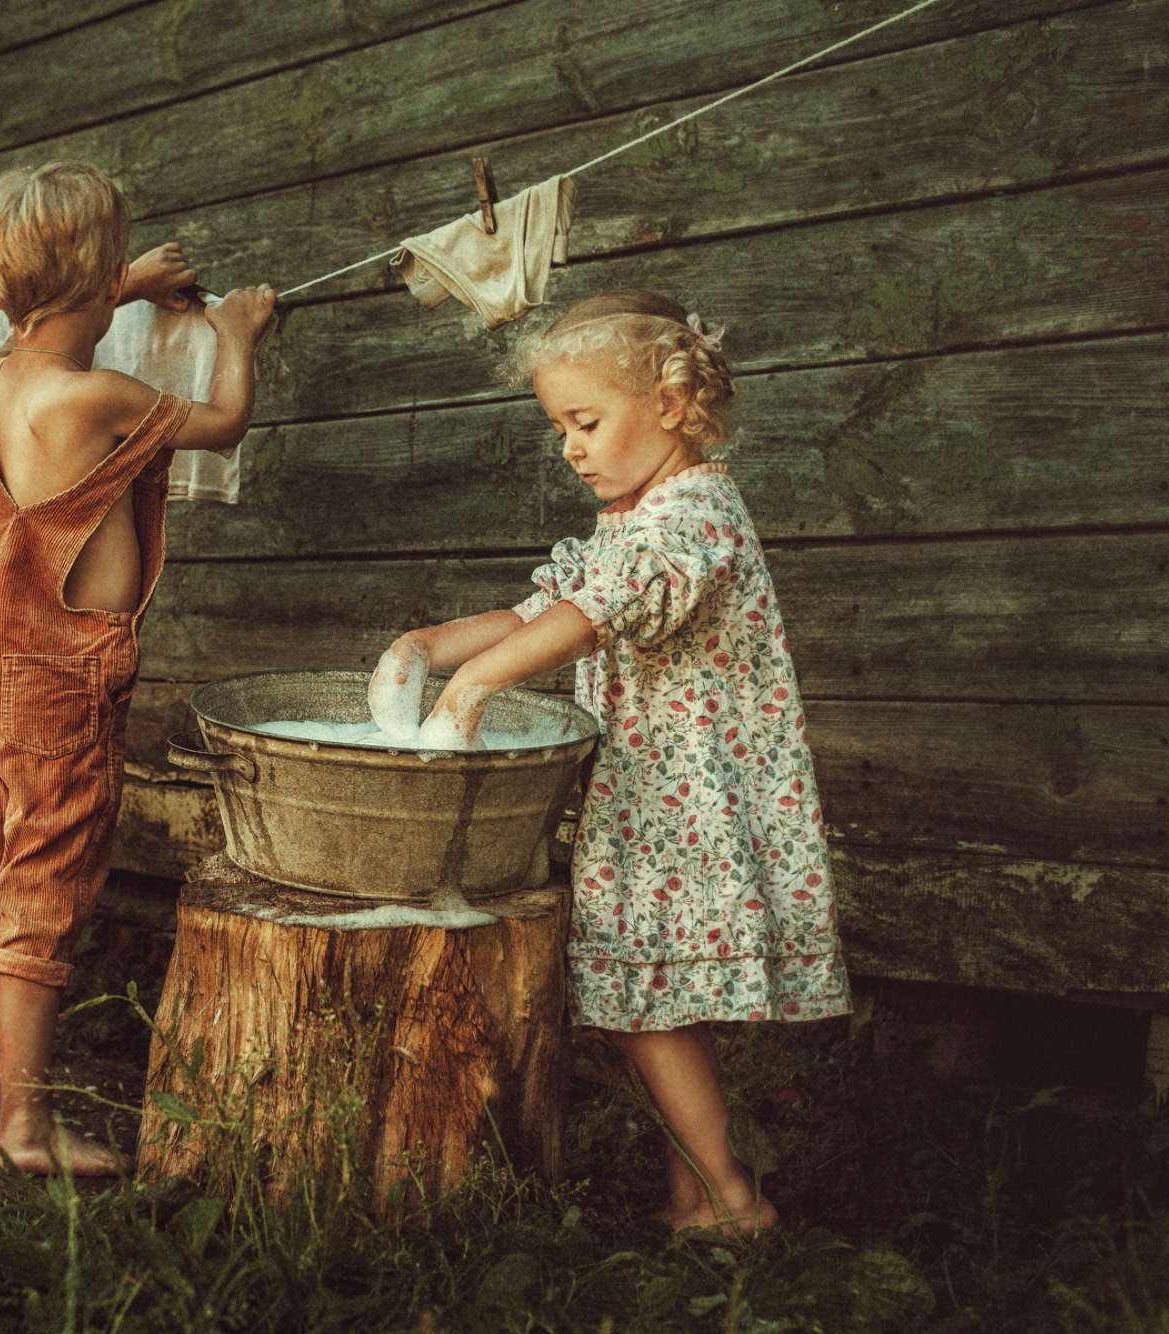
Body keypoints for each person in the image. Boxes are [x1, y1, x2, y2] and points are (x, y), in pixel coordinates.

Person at [368, 290, 849, 1234]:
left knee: (645, 1006)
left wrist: (475, 693)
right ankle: (695, 1194)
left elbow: (600, 613)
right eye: (558, 429)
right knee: (651, 993)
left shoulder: (695, 514)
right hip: (648, 800)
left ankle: (732, 1199)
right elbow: (539, 612)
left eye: (586, 422)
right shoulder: (629, 522)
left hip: (691, 801)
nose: (570, 448)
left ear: (671, 406)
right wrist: (428, 645)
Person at [0, 160, 276, 1174]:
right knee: (37, 902)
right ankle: (25, 1130)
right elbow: (224, 422)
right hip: (58, 676)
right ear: (94, 279)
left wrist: (116, 289)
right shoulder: (99, 397)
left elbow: (47, 314)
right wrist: (234, 335)